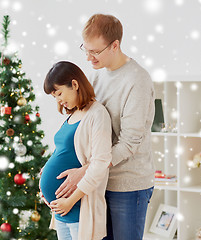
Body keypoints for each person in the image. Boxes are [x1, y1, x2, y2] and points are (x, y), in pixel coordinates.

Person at [54, 14, 155, 240]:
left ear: (115, 45)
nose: (89, 57)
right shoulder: (97, 75)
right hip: (99, 182)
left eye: (95, 52)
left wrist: (87, 170)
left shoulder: (137, 80)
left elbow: (129, 142)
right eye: (85, 49)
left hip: (128, 185)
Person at [39, 61, 112, 240]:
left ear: (74, 84)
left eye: (59, 93)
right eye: (54, 97)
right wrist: (44, 181)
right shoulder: (73, 113)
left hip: (78, 208)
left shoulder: (97, 114)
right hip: (61, 210)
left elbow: (100, 164)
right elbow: (64, 152)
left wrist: (69, 201)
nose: (59, 100)